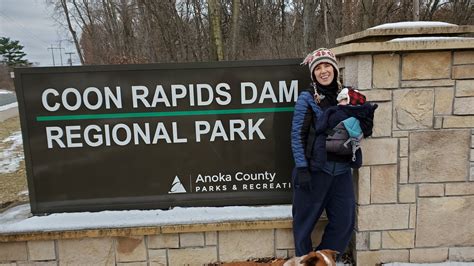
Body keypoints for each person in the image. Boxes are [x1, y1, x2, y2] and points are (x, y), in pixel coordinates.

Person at [289, 48, 376, 262]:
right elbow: (297, 135)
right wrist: (302, 168)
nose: (324, 71)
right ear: (313, 73)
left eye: (327, 66)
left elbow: (364, 124)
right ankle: (305, 261)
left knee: (344, 221)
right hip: (315, 170)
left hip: (342, 171)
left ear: (335, 69)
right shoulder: (307, 99)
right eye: (318, 68)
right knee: (304, 222)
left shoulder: (348, 96)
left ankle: (323, 260)